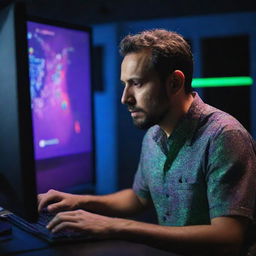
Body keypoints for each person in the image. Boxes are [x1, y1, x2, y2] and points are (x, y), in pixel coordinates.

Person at [38, 29, 256, 256]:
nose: (125, 98)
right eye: (125, 84)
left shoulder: (224, 136)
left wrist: (115, 226)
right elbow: (138, 198)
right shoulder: (154, 134)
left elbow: (228, 239)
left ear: (174, 82)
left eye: (137, 83)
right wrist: (78, 201)